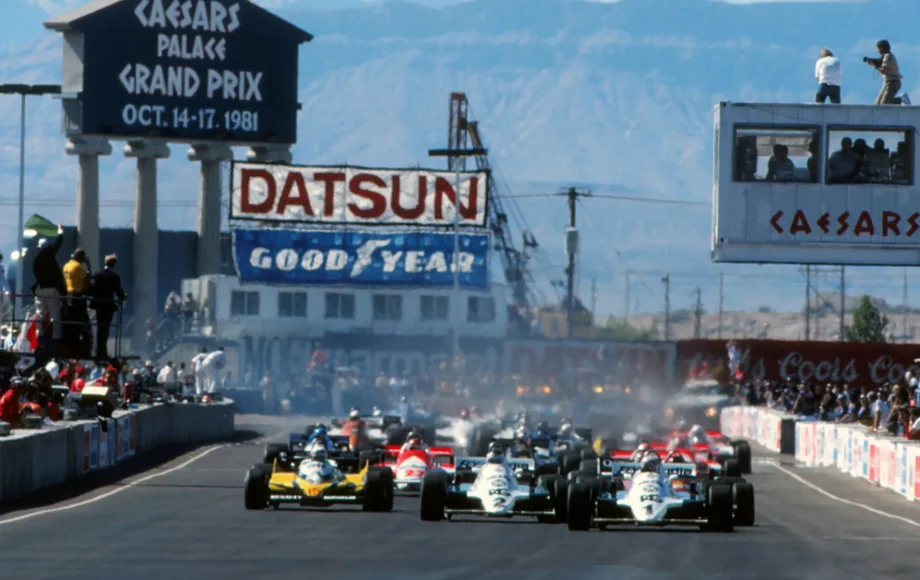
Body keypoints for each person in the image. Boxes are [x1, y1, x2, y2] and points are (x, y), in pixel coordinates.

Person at [87, 254, 126, 360]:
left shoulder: (97, 274)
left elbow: (92, 289)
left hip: (98, 305)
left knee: (99, 327)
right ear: (114, 263)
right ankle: (102, 351)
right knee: (105, 329)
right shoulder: (114, 276)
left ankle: (98, 350)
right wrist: (123, 297)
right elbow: (118, 291)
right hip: (108, 306)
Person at [32, 225, 66, 341]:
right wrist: (60, 231)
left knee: (40, 313)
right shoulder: (50, 255)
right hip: (52, 289)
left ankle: (39, 335)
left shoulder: (36, 260)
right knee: (55, 315)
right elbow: (58, 243)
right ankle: (56, 337)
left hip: (40, 289)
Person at [868, 40, 910, 105]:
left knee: (885, 103)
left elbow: (884, 70)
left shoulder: (887, 56)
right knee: (878, 105)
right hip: (887, 82)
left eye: (878, 49)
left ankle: (901, 99)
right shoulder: (885, 56)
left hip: (893, 82)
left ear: (881, 48)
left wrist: (875, 65)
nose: (877, 51)